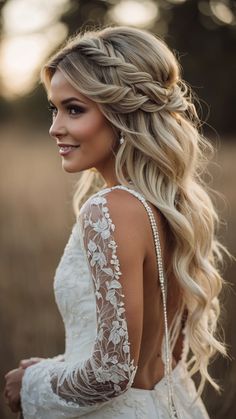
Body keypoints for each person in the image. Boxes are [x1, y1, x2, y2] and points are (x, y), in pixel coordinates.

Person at [4, 25, 228, 418]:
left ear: (122, 113)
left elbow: (112, 372)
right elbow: (156, 358)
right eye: (54, 109)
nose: (55, 127)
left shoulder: (110, 210)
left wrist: (32, 384)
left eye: (74, 109)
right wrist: (53, 367)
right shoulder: (173, 205)